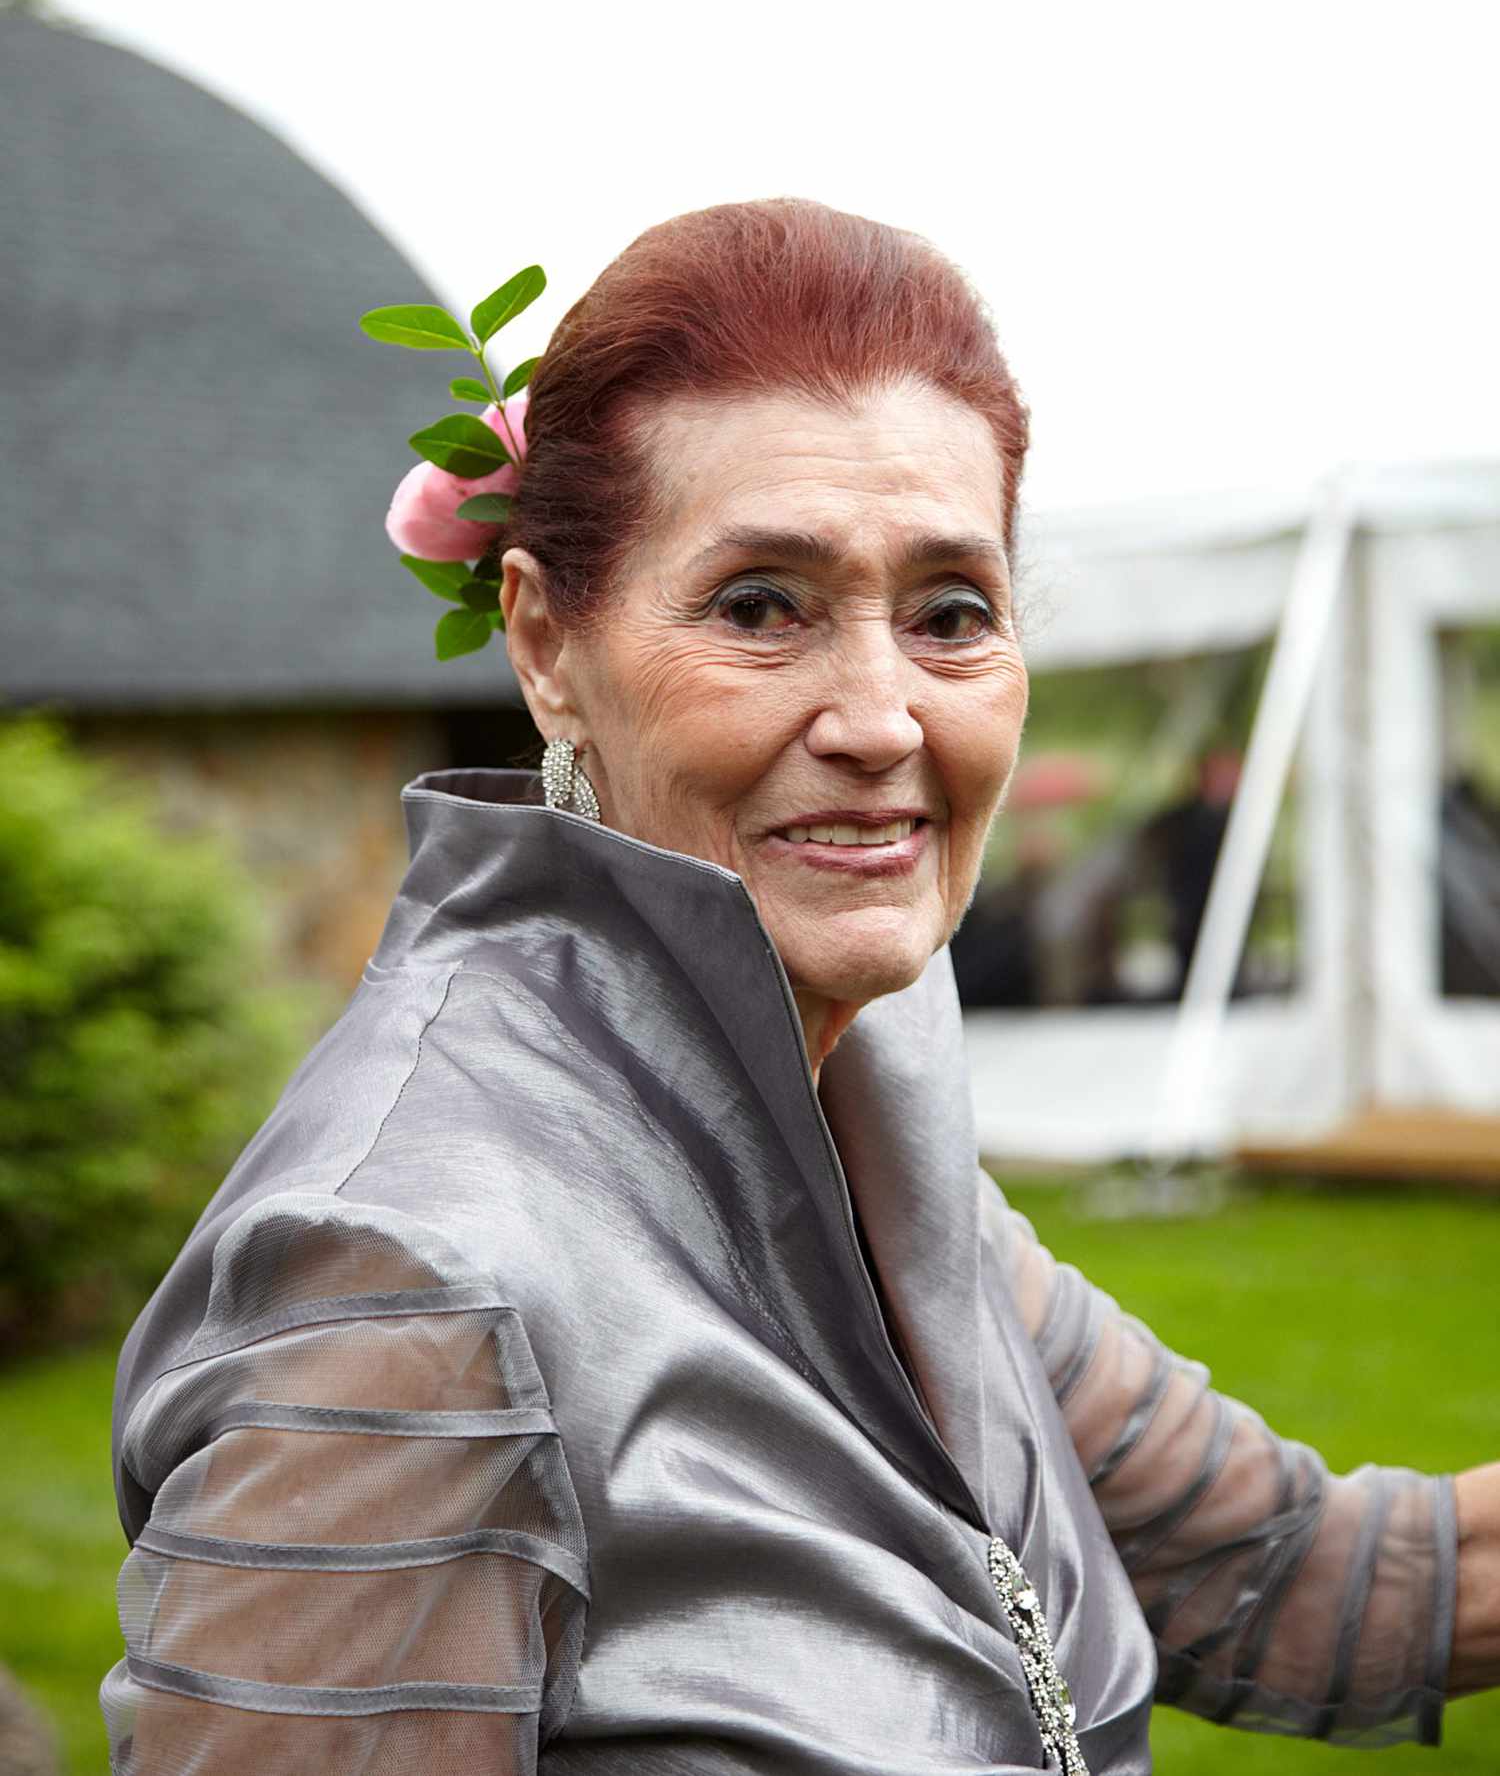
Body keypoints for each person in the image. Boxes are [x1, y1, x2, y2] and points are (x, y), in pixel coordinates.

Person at [101, 200, 1499, 1773]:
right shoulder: (411, 1281)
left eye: (951, 614)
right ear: (550, 646)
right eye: (762, 606)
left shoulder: (869, 1122)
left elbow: (1295, 1577)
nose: (883, 718)